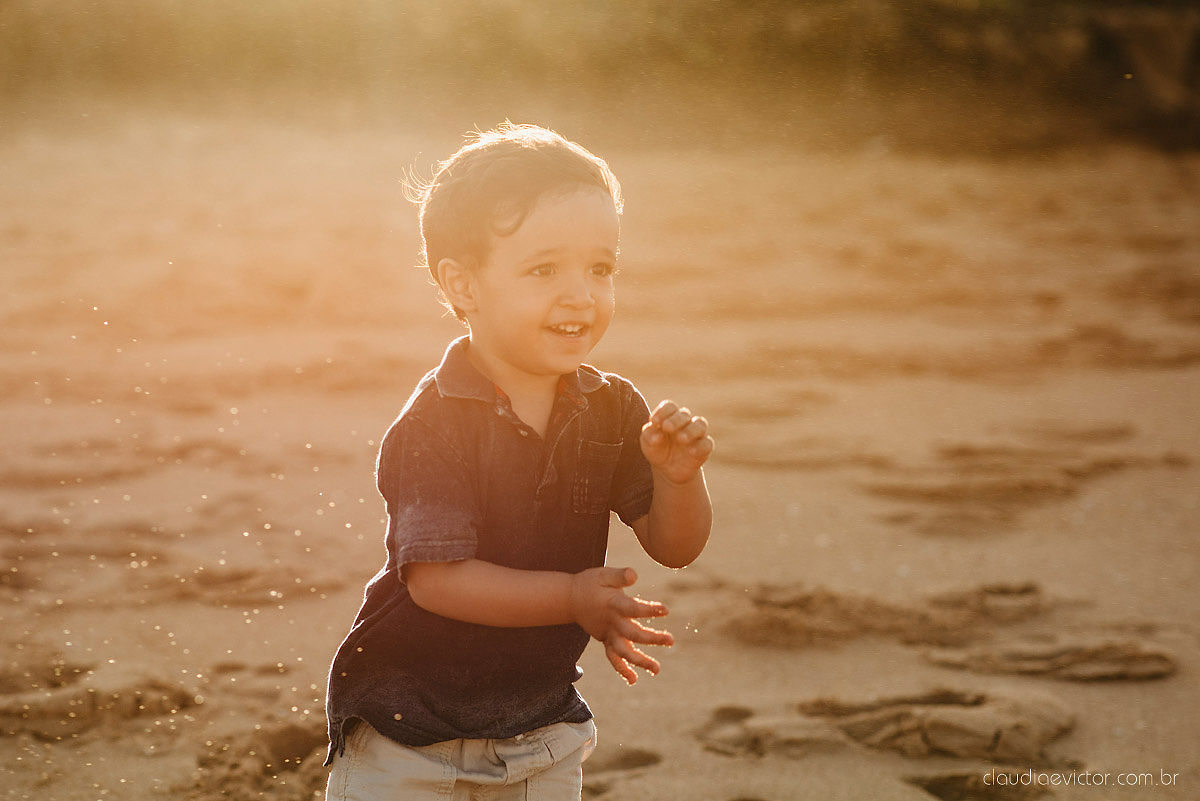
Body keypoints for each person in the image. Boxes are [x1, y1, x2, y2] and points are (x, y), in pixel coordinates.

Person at [323, 122, 714, 800]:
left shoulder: (614, 408)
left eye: (600, 268)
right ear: (463, 285)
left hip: (538, 731)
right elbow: (438, 580)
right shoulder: (435, 420)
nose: (580, 295)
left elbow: (674, 546)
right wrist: (570, 597)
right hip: (404, 728)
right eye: (543, 269)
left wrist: (680, 479)